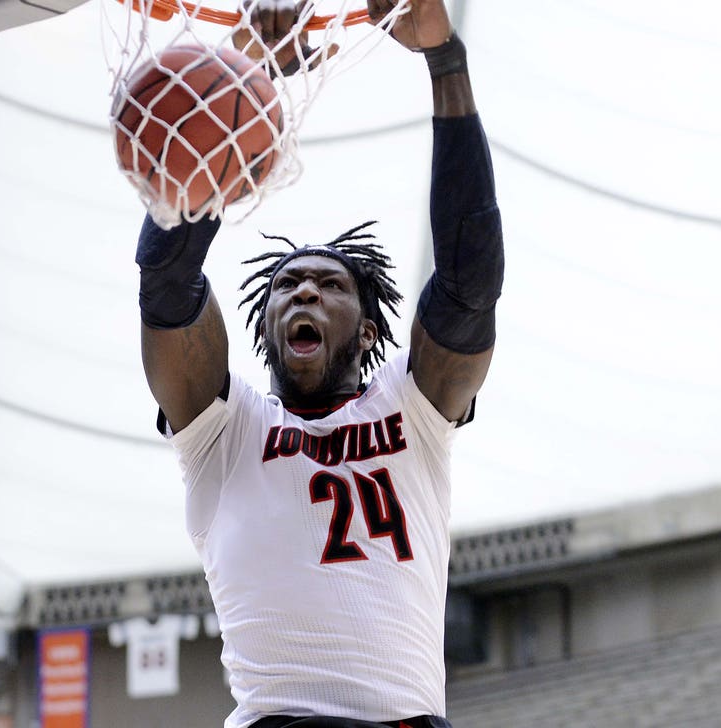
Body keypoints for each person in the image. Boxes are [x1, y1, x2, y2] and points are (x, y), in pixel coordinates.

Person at [134, 0, 503, 724]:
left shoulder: (411, 409)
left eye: (330, 284)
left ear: (368, 333)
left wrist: (443, 60)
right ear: (264, 328)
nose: (304, 289)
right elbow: (165, 281)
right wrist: (245, 75)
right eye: (285, 285)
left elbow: (470, 284)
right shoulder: (224, 429)